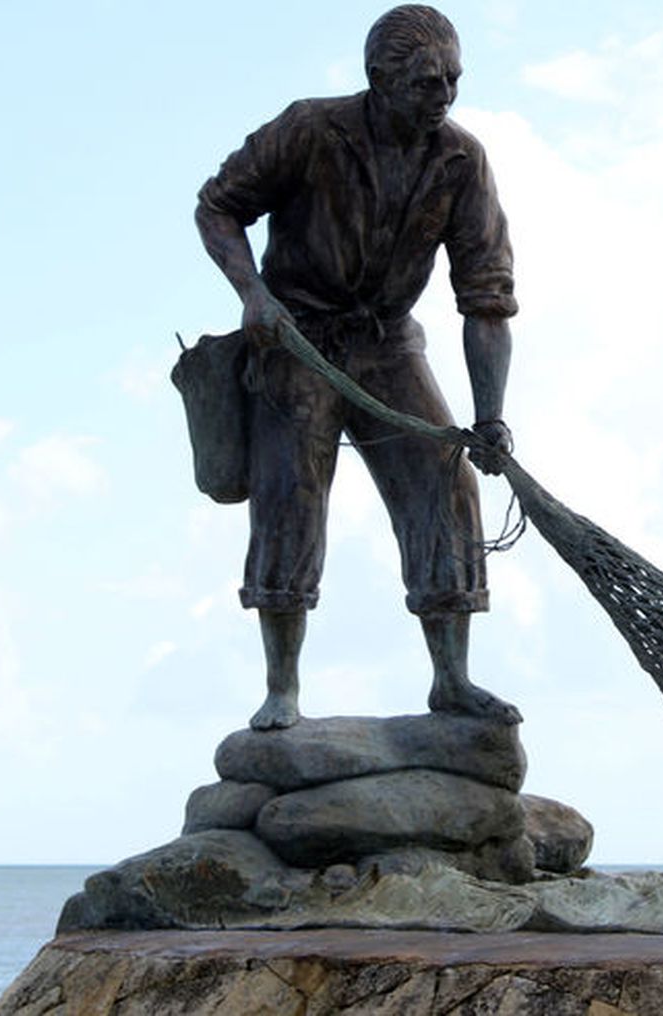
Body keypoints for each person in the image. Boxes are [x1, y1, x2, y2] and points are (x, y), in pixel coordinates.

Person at [194, 5, 519, 730]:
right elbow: (218, 206)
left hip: (389, 342)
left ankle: (452, 679)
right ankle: (283, 688)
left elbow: (487, 297)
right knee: (288, 493)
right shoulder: (311, 129)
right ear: (379, 79)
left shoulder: (461, 160)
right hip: (297, 337)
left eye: (454, 80)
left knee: (446, 482)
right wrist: (253, 295)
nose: (445, 96)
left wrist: (490, 415)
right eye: (427, 83)